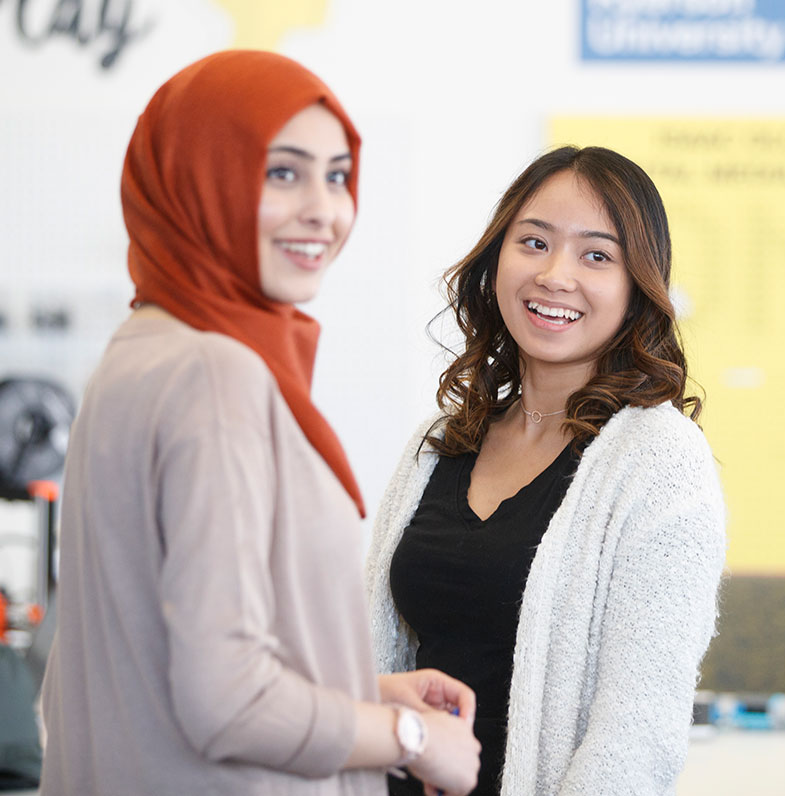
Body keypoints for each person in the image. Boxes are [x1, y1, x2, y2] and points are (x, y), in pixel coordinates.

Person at [40, 50, 480, 796]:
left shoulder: (138, 352)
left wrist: (360, 694)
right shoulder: (218, 375)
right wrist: (410, 738)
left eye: (338, 175)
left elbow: (164, 658)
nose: (323, 209)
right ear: (197, 178)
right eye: (283, 172)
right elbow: (228, 701)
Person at [366, 146, 726, 796]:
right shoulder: (438, 441)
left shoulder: (660, 462)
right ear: (497, 258)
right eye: (534, 242)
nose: (556, 275)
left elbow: (637, 737)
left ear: (637, 285)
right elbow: (372, 659)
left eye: (597, 255)